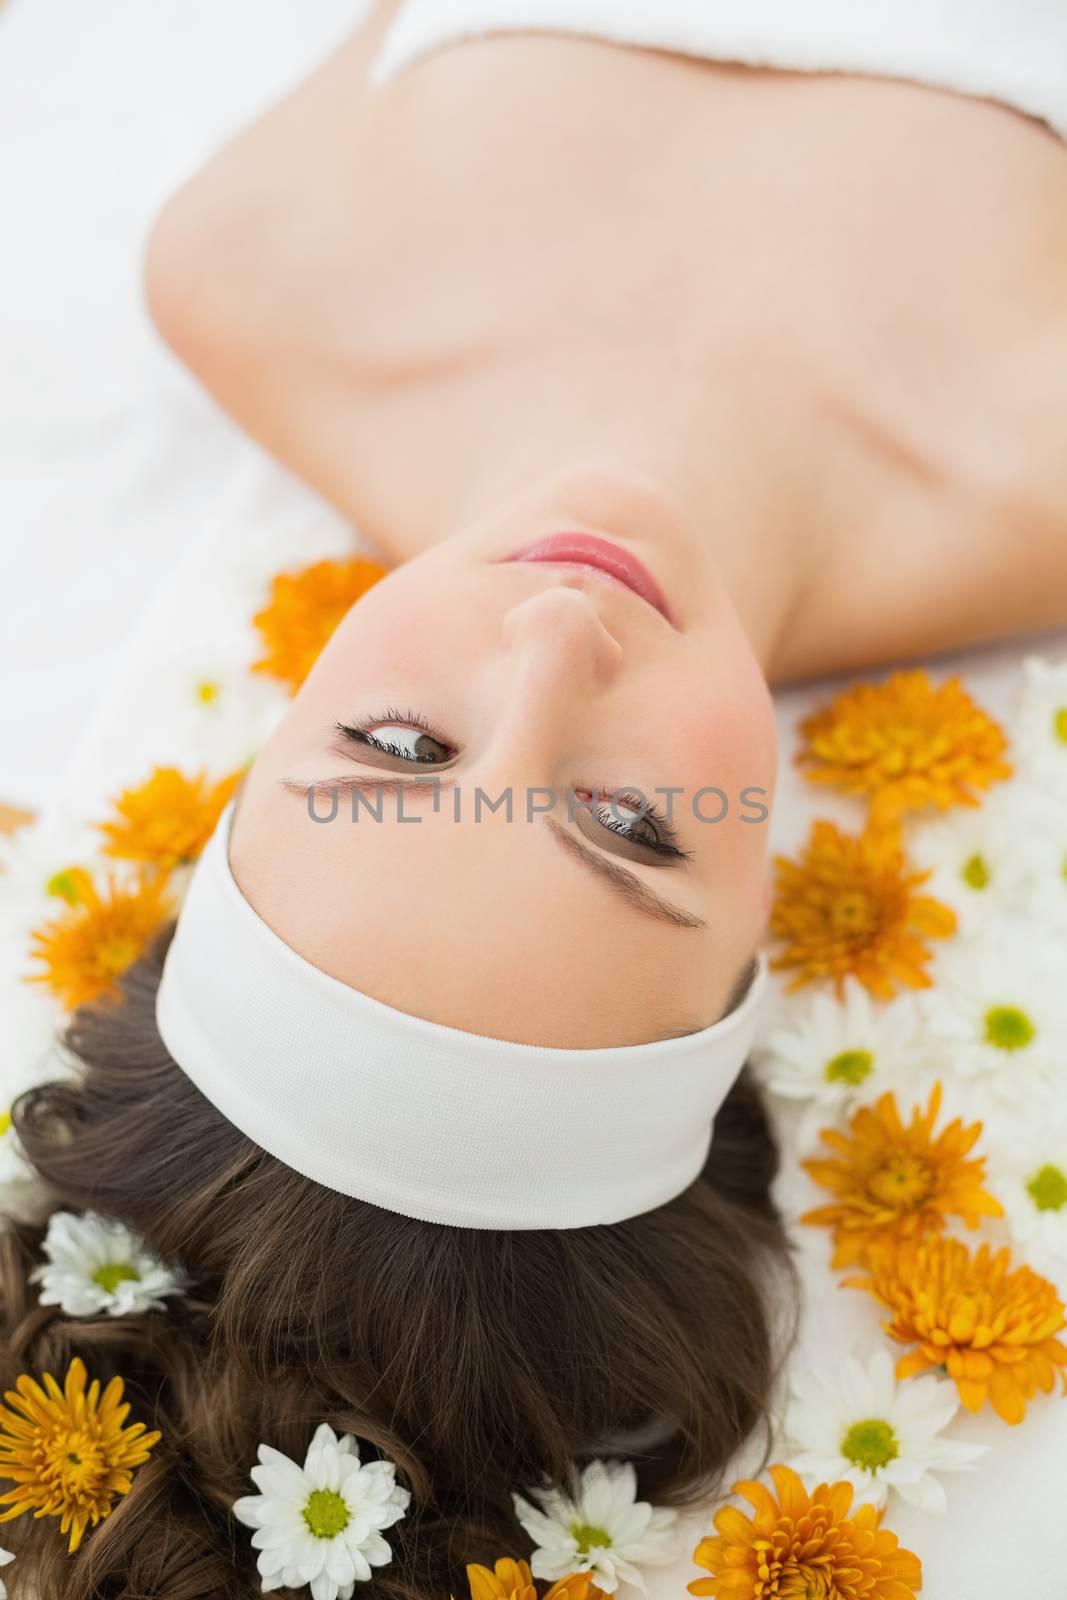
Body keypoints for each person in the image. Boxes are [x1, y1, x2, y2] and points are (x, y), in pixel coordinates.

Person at [4, 3, 1067, 1595]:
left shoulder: (250, 276)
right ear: (757, 943)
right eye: (631, 827)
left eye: (398, 747)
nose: (558, 639)